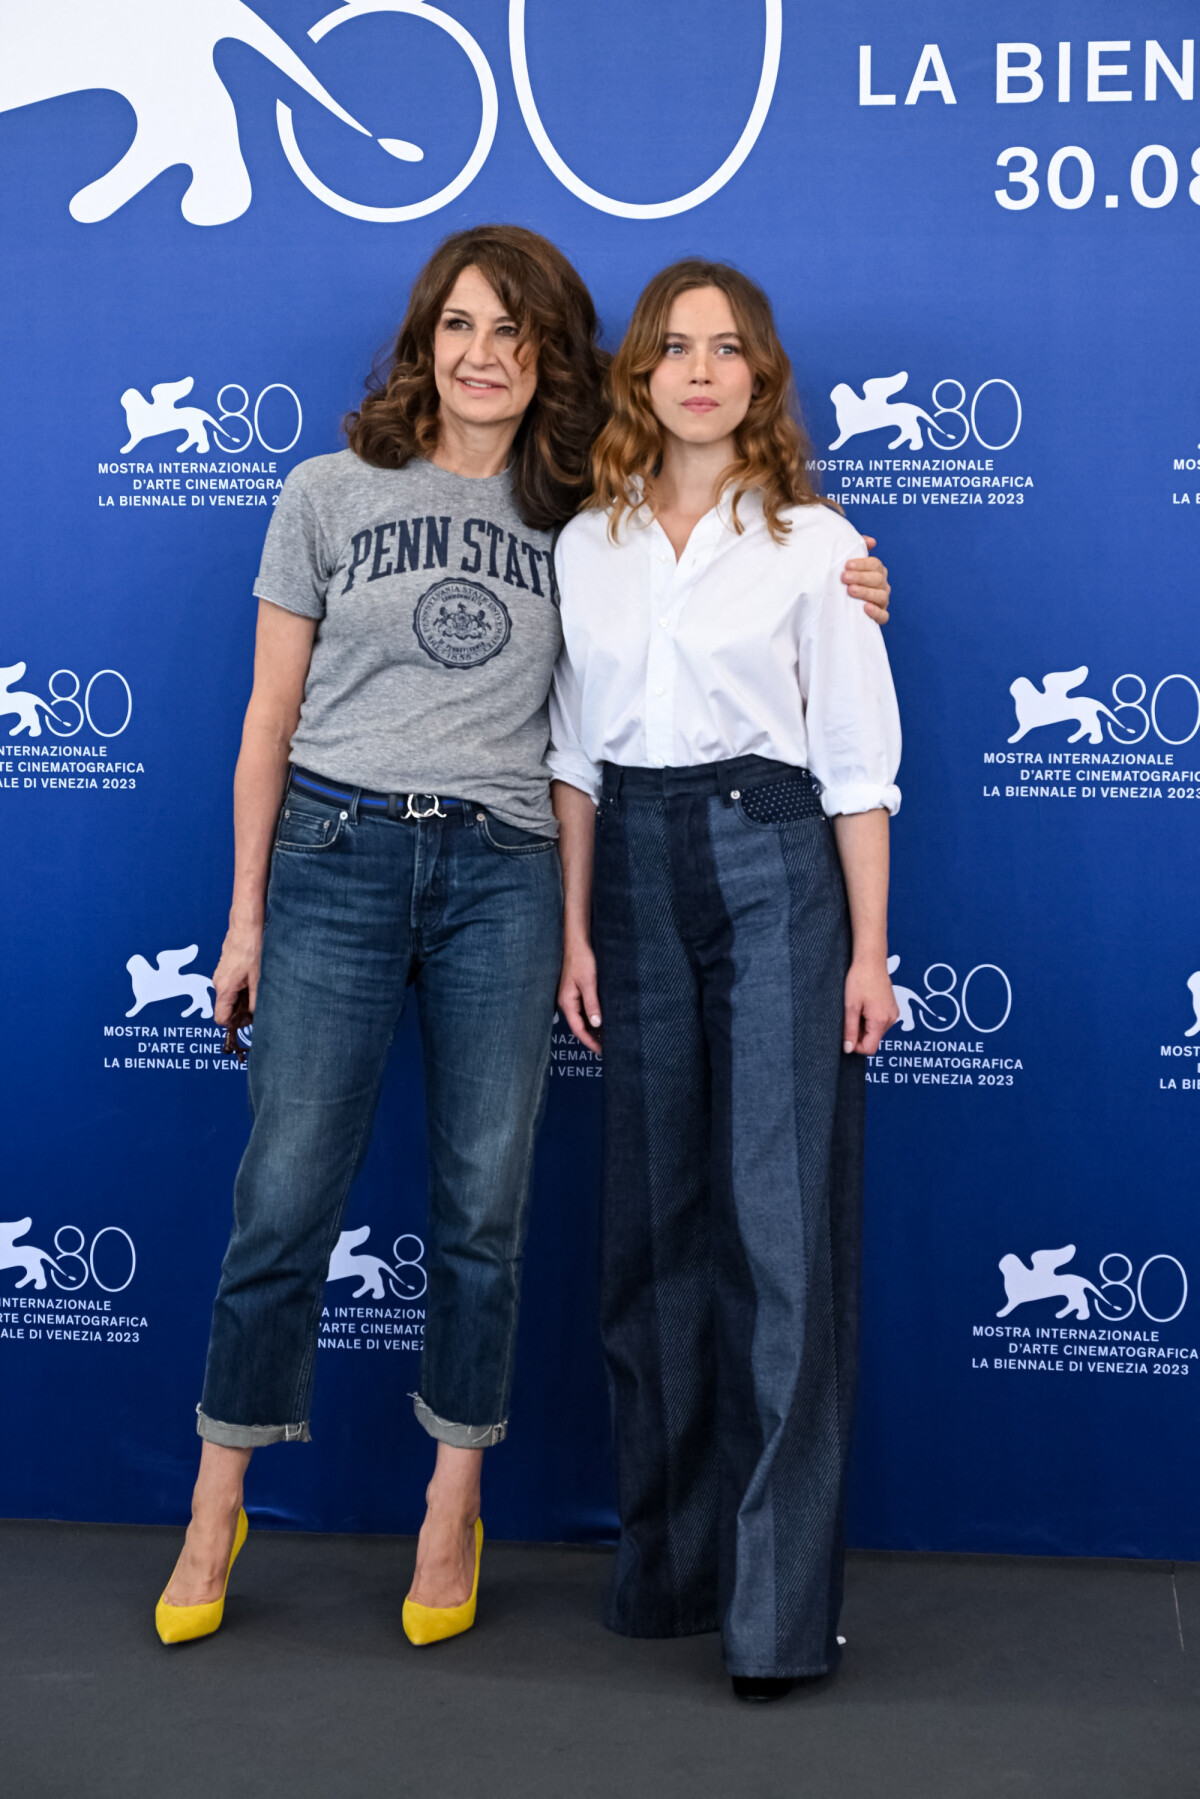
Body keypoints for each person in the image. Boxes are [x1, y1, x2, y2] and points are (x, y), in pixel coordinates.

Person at [155, 228, 893, 1649]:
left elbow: (785, 682)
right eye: (460, 325)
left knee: (504, 1215)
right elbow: (273, 717)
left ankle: (467, 1520)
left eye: (516, 334)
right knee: (290, 1193)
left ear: (554, 363)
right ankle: (213, 1509)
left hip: (539, 866)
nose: (483, 354)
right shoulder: (369, 498)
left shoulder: (596, 512)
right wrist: (245, 913)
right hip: (358, 853)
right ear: (424, 338)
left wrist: (850, 574)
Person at [550, 261, 901, 1701]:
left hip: (772, 865)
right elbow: (570, 753)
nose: (701, 369)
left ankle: (774, 1614)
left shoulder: (821, 546)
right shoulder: (587, 542)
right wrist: (572, 930)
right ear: (639, 374)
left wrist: (871, 952)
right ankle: (676, 1571)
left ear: (762, 376)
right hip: (628, 863)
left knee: (778, 1237)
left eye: (729, 347)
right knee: (648, 1230)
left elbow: (859, 763)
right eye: (675, 347)